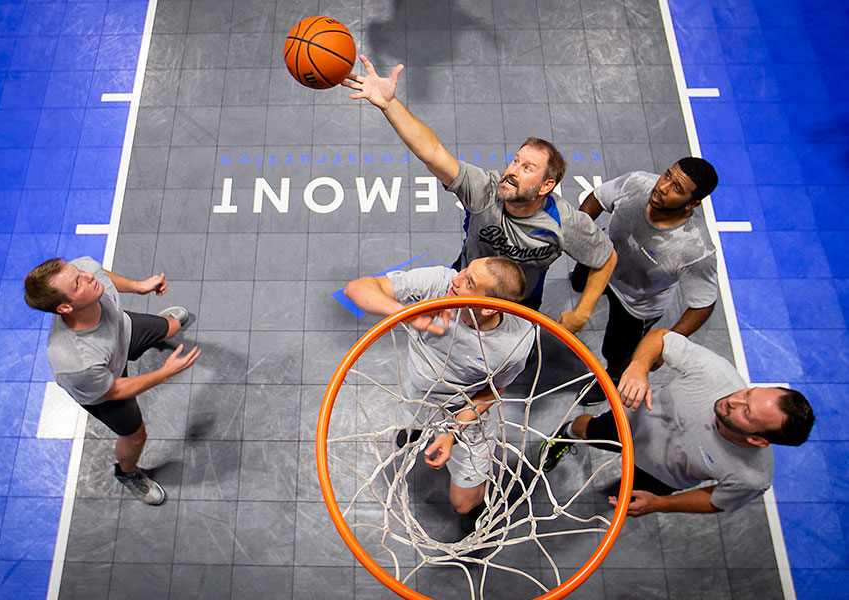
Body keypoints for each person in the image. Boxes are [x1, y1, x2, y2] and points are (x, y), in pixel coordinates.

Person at [343, 56, 616, 331]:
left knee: (510, 356)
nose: (513, 170)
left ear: (546, 186)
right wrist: (389, 104)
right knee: (451, 337)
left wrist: (583, 311)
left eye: (527, 168)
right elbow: (433, 152)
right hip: (466, 284)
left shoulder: (564, 222)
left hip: (520, 305)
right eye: (515, 161)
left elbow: (606, 258)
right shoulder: (486, 191)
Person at [345, 256, 535, 532]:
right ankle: (420, 429)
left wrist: (452, 431)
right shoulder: (441, 284)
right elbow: (356, 289)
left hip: (462, 415)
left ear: (487, 309)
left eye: (468, 282)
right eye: (465, 271)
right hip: (416, 399)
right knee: (415, 420)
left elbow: (493, 391)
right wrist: (405, 312)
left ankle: (473, 510)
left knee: (463, 504)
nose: (456, 279)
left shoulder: (514, 343)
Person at [538, 329, 815, 516]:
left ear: (757, 440)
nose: (734, 400)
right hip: (633, 424)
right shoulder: (716, 374)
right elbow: (661, 337)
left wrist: (661, 503)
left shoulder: (753, 477)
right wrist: (638, 367)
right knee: (589, 428)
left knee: (628, 492)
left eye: (746, 413)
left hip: (660, 476)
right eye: (748, 393)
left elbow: (716, 500)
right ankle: (566, 433)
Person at [24, 257, 201, 505]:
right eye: (77, 283)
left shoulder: (86, 272)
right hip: (105, 385)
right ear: (65, 307)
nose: (88, 276)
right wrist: (162, 374)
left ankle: (160, 332)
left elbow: (101, 273)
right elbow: (113, 390)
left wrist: (139, 286)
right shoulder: (75, 362)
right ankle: (127, 474)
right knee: (135, 436)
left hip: (122, 330)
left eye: (79, 272)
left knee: (171, 327)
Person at [572, 158, 719, 403]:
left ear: (692, 203)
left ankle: (611, 380)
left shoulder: (695, 249)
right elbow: (597, 198)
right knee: (579, 282)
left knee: (616, 351)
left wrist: (666, 341)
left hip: (635, 303)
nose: (663, 186)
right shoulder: (636, 183)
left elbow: (703, 304)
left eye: (677, 188)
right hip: (602, 263)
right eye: (667, 175)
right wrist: (580, 235)